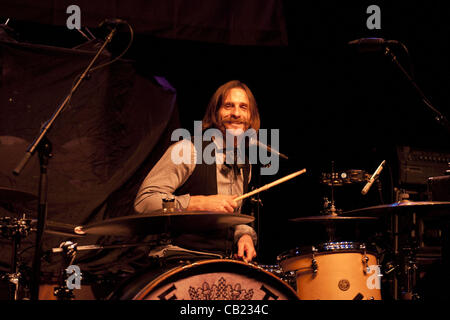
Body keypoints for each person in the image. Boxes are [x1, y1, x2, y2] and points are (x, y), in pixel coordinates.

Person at [134, 80, 260, 263]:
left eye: (243, 107)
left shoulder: (244, 166)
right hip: (180, 260)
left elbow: (234, 218)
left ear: (251, 118)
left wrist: (243, 235)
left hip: (223, 262)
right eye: (228, 106)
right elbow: (145, 202)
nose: (236, 113)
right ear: (215, 113)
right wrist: (196, 203)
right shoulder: (187, 151)